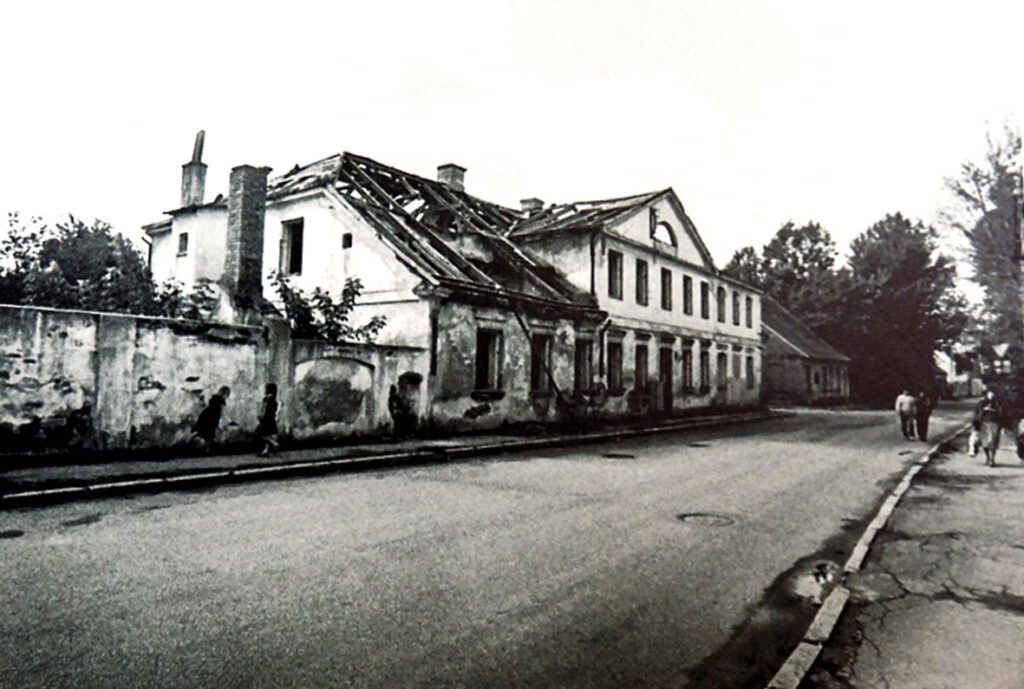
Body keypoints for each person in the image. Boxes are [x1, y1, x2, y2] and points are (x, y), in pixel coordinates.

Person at [191, 386, 230, 453]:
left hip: (208, 417)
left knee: (205, 433)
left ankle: (203, 446)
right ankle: (204, 447)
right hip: (210, 419)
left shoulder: (215, 401)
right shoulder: (218, 403)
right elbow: (218, 414)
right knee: (207, 434)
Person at [973, 389, 1003, 467]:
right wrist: (984, 410)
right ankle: (988, 457)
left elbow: (1001, 413)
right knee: (985, 443)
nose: (992, 395)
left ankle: (992, 459)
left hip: (994, 424)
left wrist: (995, 411)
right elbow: (977, 413)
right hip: (984, 424)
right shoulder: (982, 403)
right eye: (990, 393)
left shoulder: (997, 403)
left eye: (993, 393)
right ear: (987, 394)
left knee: (993, 442)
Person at [255, 383, 279, 457]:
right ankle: (267, 451)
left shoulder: (266, 399)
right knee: (270, 434)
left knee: (259, 432)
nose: (264, 390)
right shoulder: (275, 400)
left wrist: (260, 416)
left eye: (265, 389)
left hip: (266, 419)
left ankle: (274, 443)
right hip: (272, 419)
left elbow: (264, 409)